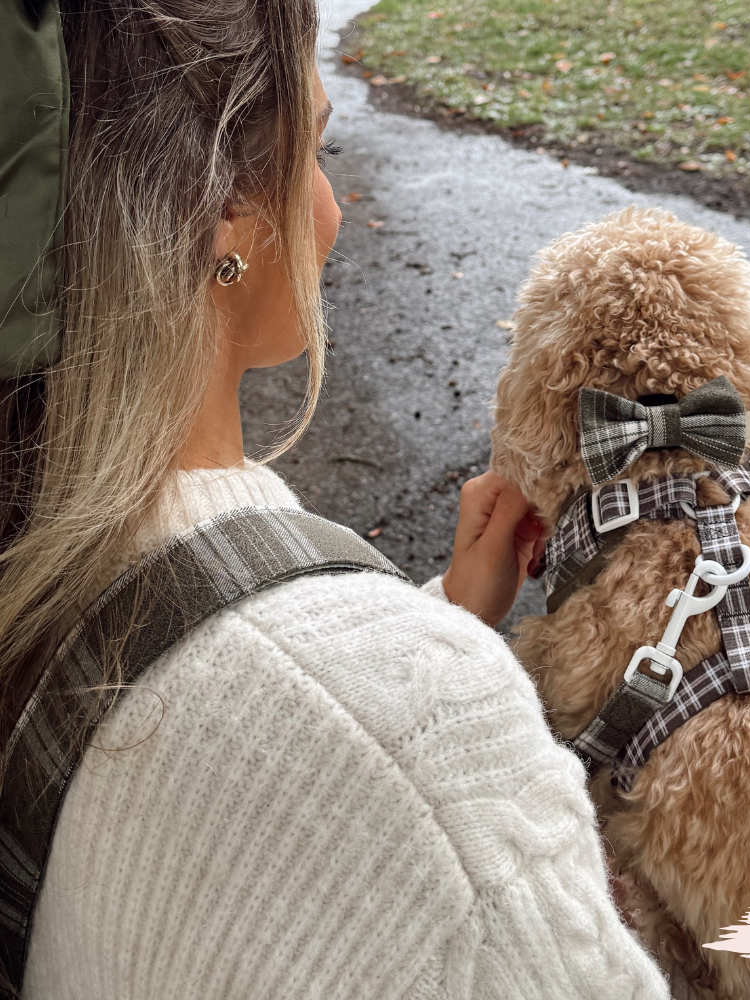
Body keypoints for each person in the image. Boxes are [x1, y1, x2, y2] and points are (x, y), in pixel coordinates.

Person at [0, 2, 672, 998]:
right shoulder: (417, 756)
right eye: (315, 149)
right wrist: (414, 680)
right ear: (225, 212)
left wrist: (442, 618)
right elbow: (342, 747)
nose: (331, 205)